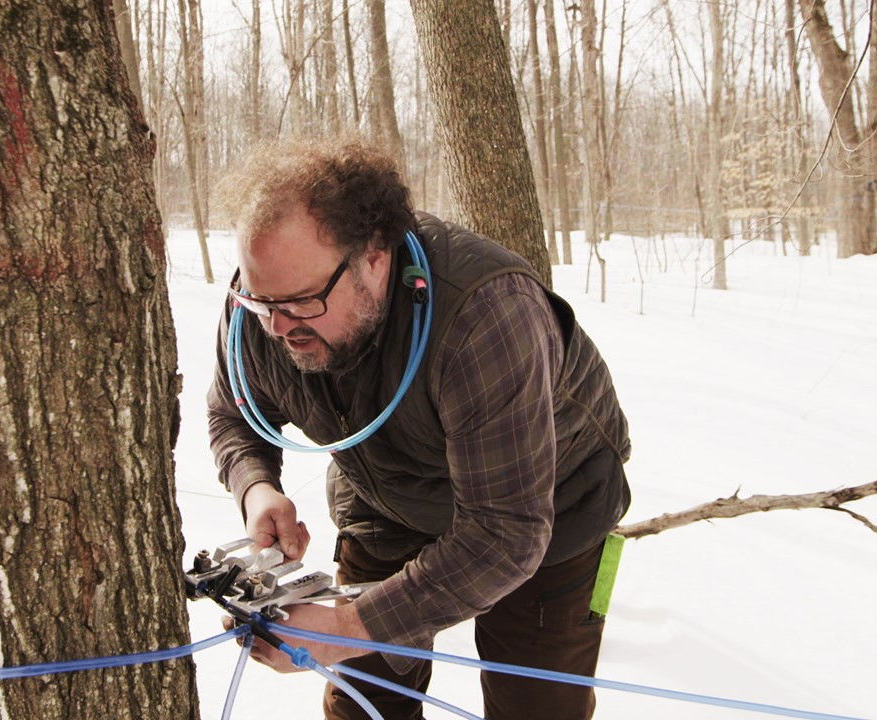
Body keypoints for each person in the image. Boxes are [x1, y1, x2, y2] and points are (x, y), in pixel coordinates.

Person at [207, 139, 631, 720]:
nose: (277, 327)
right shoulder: (262, 306)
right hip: (386, 498)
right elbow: (233, 414)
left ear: (374, 258)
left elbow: (506, 535)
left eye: (301, 302)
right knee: (364, 703)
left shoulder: (485, 313)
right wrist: (257, 489)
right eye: (260, 302)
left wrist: (348, 628)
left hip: (549, 510)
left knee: (538, 707)